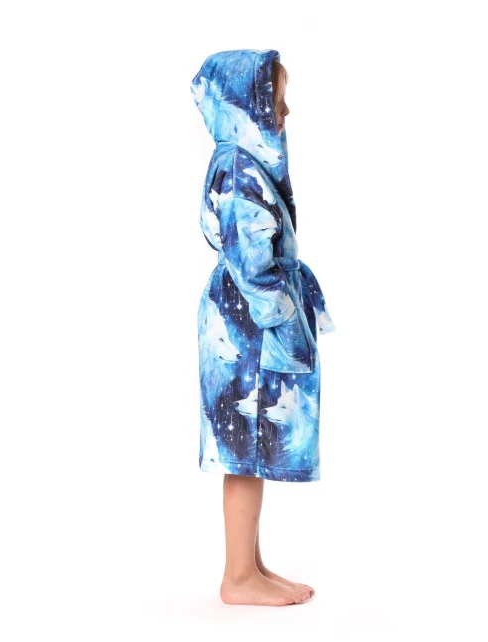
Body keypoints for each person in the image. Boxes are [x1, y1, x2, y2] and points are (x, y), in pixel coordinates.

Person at [191, 49, 336, 606]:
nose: (285, 110)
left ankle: (249, 565)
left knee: (250, 445)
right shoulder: (237, 167)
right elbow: (250, 261)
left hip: (247, 317)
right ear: (246, 102)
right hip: (246, 321)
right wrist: (284, 318)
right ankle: (237, 579)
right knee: (244, 445)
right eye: (276, 98)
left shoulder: (246, 161)